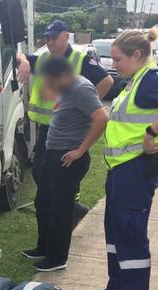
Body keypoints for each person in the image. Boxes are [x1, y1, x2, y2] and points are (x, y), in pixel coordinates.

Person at [85, 28, 158, 290]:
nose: (113, 64)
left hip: (135, 170)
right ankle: (118, 288)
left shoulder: (151, 80)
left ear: (137, 55)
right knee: (115, 233)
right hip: (121, 170)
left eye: (118, 59)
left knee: (130, 235)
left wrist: (153, 133)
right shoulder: (133, 81)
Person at [16, 20, 114, 261]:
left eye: (53, 37)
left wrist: (82, 108)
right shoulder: (45, 58)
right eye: (46, 38)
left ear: (65, 37)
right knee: (44, 195)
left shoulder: (80, 62)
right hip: (47, 135)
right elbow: (19, 55)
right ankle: (45, 246)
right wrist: (25, 61)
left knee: (61, 199)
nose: (48, 41)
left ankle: (57, 251)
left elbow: (107, 82)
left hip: (68, 137)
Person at [32, 57, 108, 272]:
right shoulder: (66, 88)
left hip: (68, 159)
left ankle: (57, 258)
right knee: (43, 202)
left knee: (60, 209)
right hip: (53, 155)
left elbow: (102, 118)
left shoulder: (81, 88)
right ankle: (43, 247)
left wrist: (80, 151)